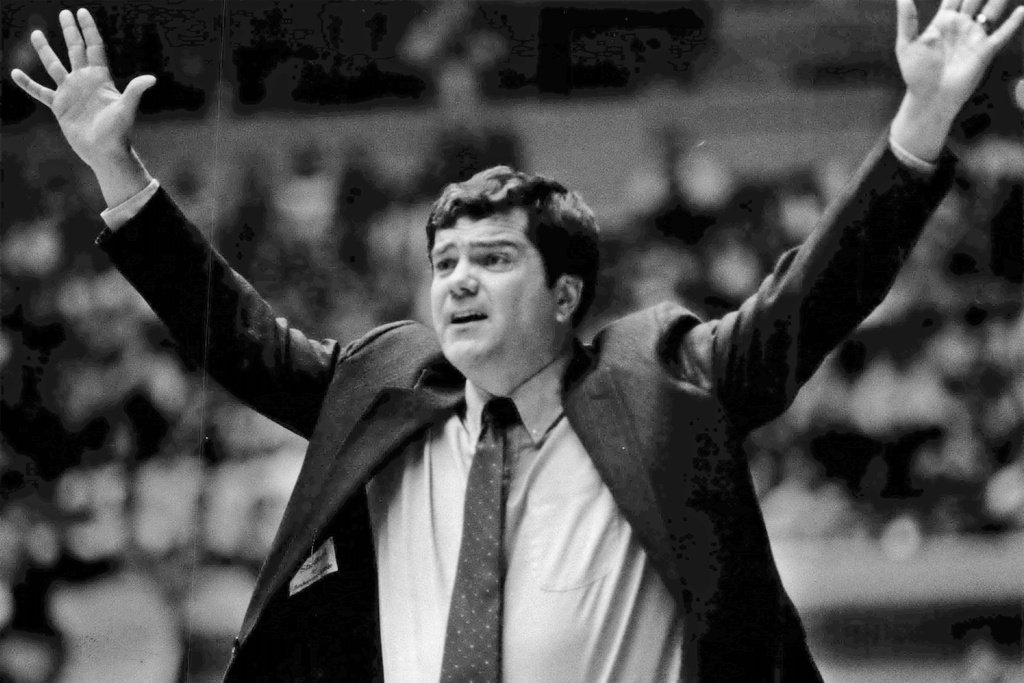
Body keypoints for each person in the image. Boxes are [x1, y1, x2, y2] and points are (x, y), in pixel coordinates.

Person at [11, 2, 1023, 682]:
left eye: (492, 259)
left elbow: (813, 296)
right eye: (444, 258)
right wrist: (118, 172)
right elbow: (229, 329)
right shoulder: (380, 382)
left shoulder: (663, 374)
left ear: (566, 290)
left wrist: (921, 120)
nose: (455, 278)